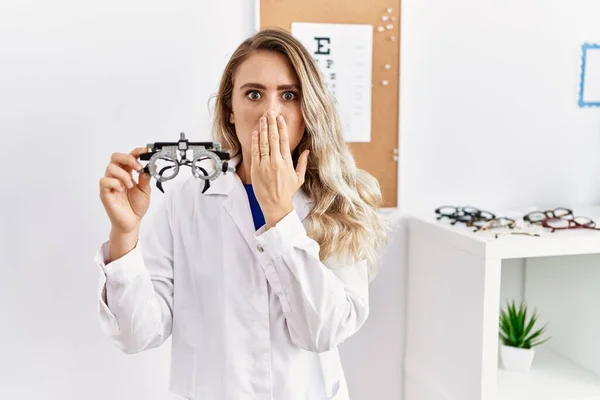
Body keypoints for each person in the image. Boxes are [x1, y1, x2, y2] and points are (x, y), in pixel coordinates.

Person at [95, 27, 387, 400]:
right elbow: (137, 334)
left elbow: (322, 332)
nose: (270, 112)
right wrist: (125, 234)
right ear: (231, 111)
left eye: (288, 95)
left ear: (308, 108)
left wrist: (280, 213)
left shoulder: (336, 201)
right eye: (253, 94)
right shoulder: (189, 200)